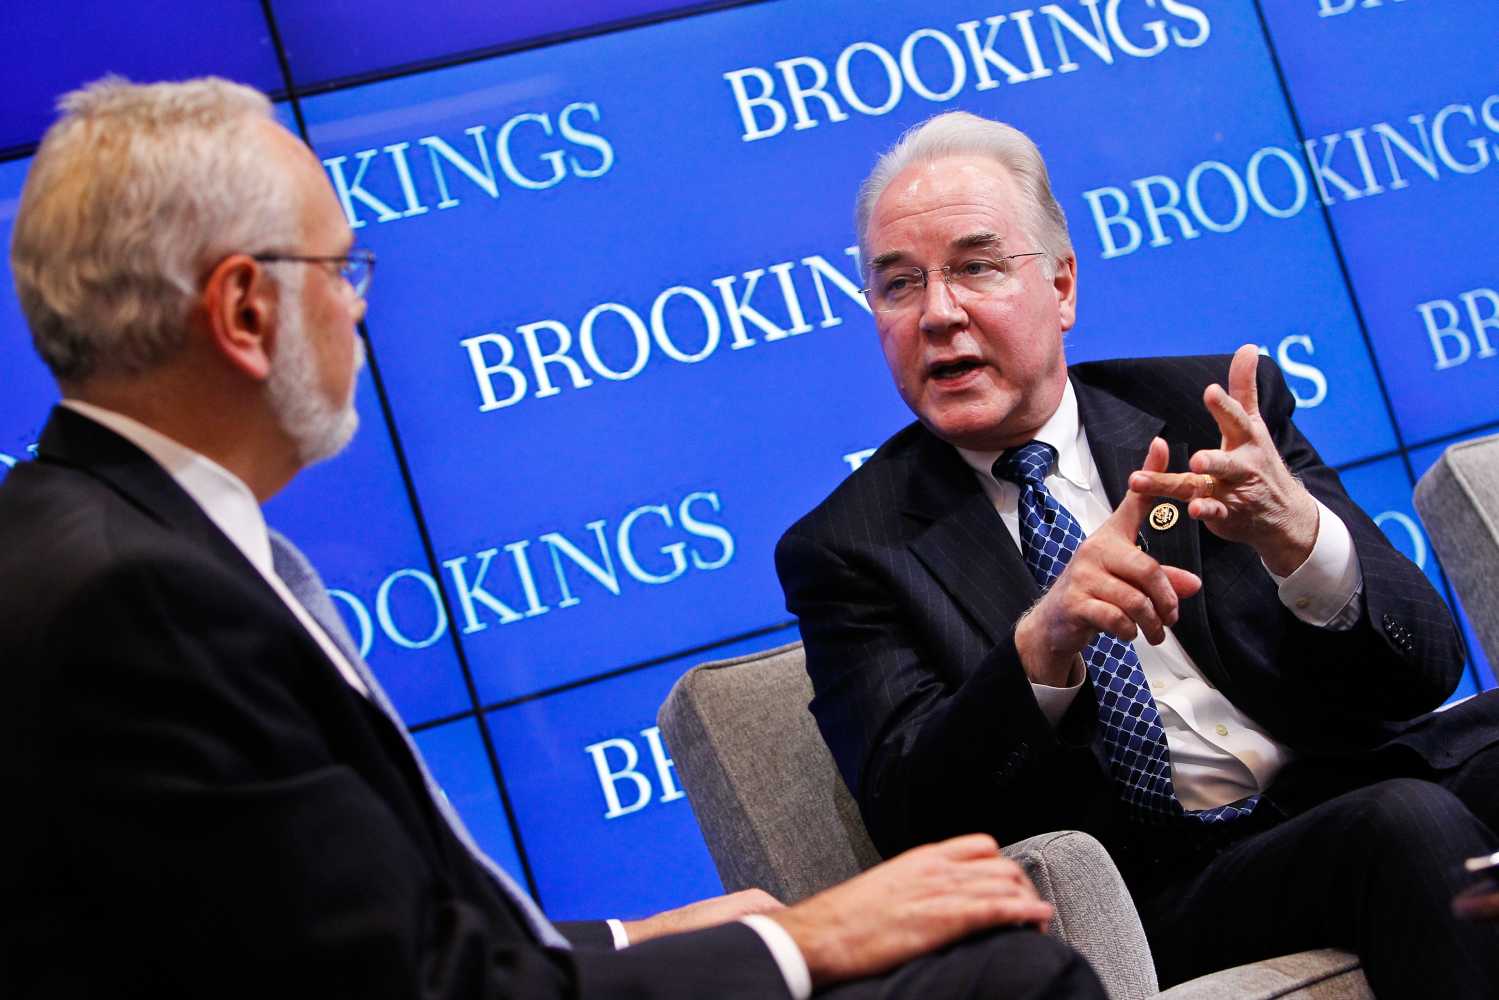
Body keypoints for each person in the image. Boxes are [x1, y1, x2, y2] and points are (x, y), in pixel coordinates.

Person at [0, 80, 1109, 999]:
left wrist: (643, 933)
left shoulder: (103, 543)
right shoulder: (136, 599)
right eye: (337, 271)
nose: (356, 312)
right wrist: (800, 940)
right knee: (1004, 978)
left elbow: (344, 942)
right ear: (244, 312)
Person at [775, 110, 1499, 997]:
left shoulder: (1209, 413)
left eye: (975, 266)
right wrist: (1041, 648)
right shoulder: (851, 547)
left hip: (1342, 782)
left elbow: (1422, 670)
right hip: (1157, 890)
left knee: (1414, 800)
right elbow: (912, 818)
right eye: (897, 285)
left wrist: (1298, 541)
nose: (937, 313)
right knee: (1402, 824)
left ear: (1063, 285)